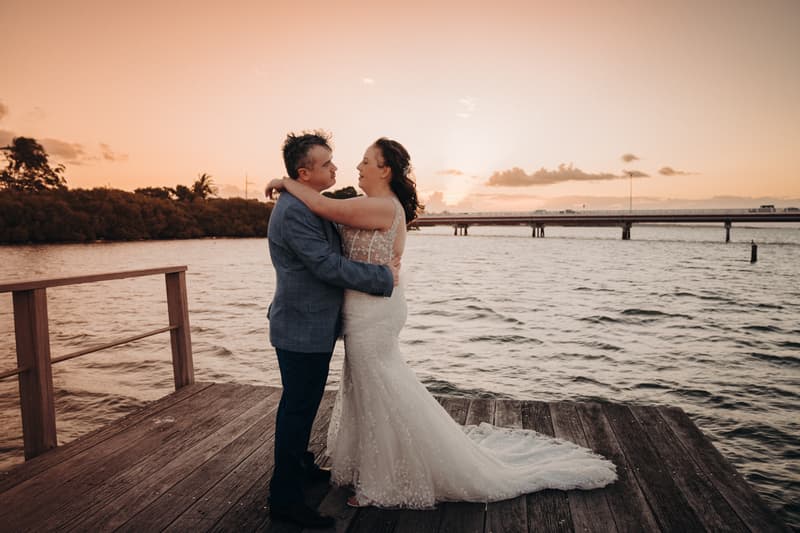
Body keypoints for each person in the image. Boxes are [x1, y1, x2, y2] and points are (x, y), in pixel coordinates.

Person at [266, 137, 617, 510]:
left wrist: (286, 183)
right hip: (352, 312)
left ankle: (386, 476)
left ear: (384, 169)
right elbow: (323, 234)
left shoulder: (381, 207)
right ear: (306, 171)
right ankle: (341, 471)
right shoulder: (343, 205)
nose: (352, 167)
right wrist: (291, 185)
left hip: (374, 312)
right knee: (363, 389)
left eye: (365, 161)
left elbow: (322, 214)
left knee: (379, 387)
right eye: (331, 163)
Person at [266, 131, 400, 529]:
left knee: (303, 405)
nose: (336, 168)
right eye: (326, 164)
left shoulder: (308, 204)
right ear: (305, 173)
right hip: (299, 328)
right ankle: (284, 499)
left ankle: (301, 467)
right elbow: (326, 265)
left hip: (312, 325)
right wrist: (382, 277)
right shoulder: (293, 213)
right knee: (296, 409)